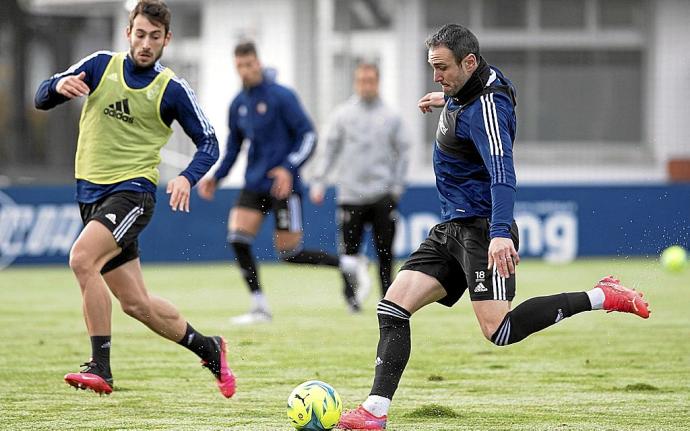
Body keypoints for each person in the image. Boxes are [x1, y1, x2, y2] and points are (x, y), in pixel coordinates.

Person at [337, 24, 650, 430]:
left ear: (468, 62)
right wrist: (447, 99)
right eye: (432, 66)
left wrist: (501, 232)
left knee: (499, 332)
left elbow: (503, 172)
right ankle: (374, 412)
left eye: (442, 68)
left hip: (483, 230)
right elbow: (487, 90)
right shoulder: (470, 86)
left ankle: (602, 295)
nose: (436, 76)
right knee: (392, 308)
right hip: (451, 227)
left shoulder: (486, 111)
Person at [34, 0, 235, 398]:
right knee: (136, 303)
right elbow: (41, 97)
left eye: (154, 37)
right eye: (139, 34)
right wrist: (56, 86)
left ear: (167, 40)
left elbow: (209, 142)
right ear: (128, 33)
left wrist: (187, 178)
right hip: (90, 196)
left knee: (81, 258)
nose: (145, 43)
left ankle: (100, 368)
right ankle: (208, 348)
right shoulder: (99, 66)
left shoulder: (171, 89)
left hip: (132, 194)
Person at [198, 41, 369, 324]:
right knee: (238, 239)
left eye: (249, 64)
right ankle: (259, 306)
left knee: (290, 253)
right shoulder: (238, 104)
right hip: (255, 184)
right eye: (239, 66)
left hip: (284, 187)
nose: (245, 70)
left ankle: (348, 264)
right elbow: (233, 147)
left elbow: (309, 136)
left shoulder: (282, 96)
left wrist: (289, 168)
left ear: (259, 63)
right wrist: (216, 177)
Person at [310, 62, 409, 299]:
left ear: (378, 82)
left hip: (382, 194)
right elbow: (329, 150)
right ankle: (351, 297)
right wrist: (319, 180)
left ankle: (389, 298)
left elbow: (404, 152)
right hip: (351, 195)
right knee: (349, 253)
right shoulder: (342, 115)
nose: (366, 85)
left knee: (386, 253)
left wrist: (397, 186)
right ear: (356, 82)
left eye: (371, 81)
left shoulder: (391, 116)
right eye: (362, 81)